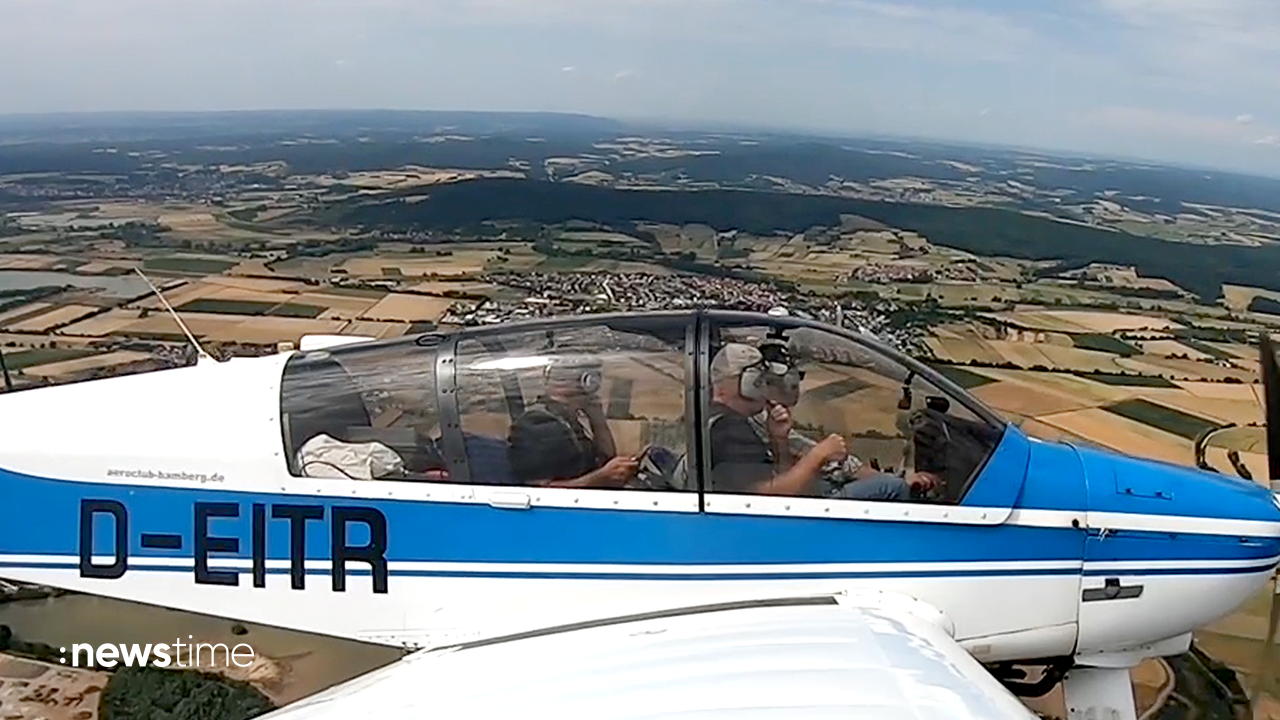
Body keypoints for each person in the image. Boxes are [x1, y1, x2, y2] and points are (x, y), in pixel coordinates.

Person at [707, 342, 937, 500]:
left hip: (795, 505)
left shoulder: (734, 422)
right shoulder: (728, 430)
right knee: (892, 487)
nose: (764, 388)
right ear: (746, 383)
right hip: (795, 517)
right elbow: (772, 499)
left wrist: (780, 440)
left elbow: (780, 477)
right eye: (759, 381)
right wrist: (819, 455)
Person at [507, 355, 638, 488]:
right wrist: (600, 478)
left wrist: (597, 418)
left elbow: (606, 458)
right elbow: (539, 490)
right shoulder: (539, 423)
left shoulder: (567, 420)